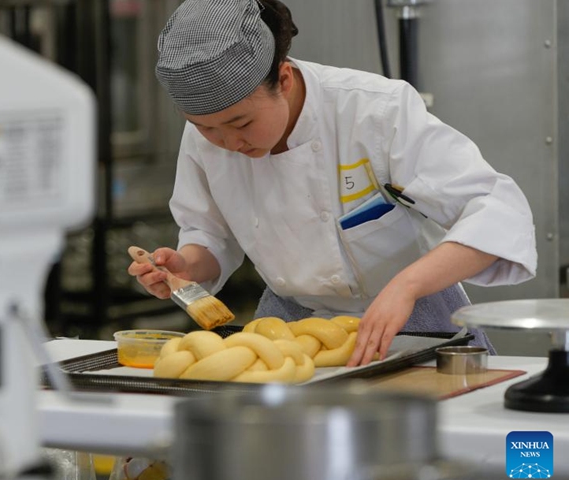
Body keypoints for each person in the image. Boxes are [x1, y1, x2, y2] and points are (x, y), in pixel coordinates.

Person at [127, 0, 537, 366]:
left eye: (241, 123)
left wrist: (407, 286)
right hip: (290, 329)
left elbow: (496, 209)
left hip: (414, 317)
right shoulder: (207, 135)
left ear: (284, 80)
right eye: (206, 129)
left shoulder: (373, 110)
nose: (228, 143)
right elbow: (208, 232)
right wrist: (187, 267)